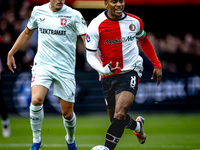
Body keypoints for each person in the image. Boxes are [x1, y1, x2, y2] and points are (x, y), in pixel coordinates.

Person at [7, 0, 87, 150]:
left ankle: (70, 140)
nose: (60, 0)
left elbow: (86, 39)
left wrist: (98, 61)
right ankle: (36, 140)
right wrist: (11, 52)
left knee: (68, 114)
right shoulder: (38, 11)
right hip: (43, 64)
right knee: (36, 100)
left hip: (65, 68)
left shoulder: (74, 15)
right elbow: (27, 33)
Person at [86, 0, 162, 149]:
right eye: (114, 1)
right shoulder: (96, 24)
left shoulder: (135, 21)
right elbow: (90, 55)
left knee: (119, 113)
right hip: (109, 75)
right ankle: (137, 126)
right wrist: (102, 69)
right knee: (116, 119)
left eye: (121, 0)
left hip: (131, 70)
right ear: (106, 3)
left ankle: (107, 148)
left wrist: (157, 64)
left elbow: (144, 40)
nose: (119, 4)